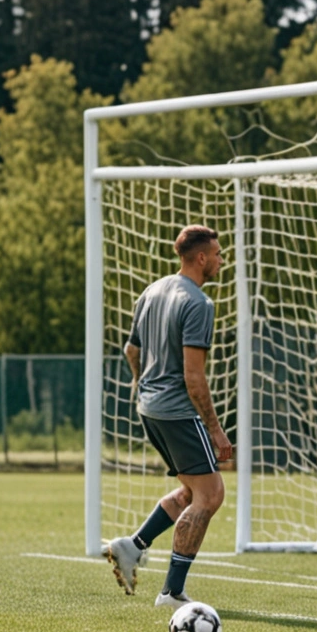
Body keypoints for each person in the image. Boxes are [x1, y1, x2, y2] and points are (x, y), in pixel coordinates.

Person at [103, 225, 234, 610]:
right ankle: (172, 593)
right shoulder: (198, 304)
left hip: (149, 408)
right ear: (201, 258)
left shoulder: (153, 290)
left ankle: (133, 545)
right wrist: (216, 431)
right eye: (218, 253)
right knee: (211, 495)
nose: (221, 259)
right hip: (177, 411)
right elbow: (194, 378)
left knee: (193, 492)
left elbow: (131, 350)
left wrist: (142, 386)